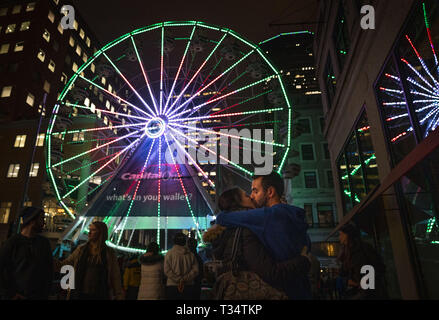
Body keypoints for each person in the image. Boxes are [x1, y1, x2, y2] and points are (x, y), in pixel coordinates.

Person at [215, 172, 312, 299]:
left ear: (270, 192)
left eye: (255, 191)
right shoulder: (292, 215)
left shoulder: (267, 216)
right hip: (302, 288)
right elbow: (307, 245)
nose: (252, 196)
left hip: (284, 291)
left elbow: (222, 218)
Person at [55, 221, 124, 300]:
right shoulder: (81, 250)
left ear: (101, 233)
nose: (89, 233)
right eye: (89, 229)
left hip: (100, 294)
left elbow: (115, 275)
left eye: (93, 230)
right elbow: (66, 264)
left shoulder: (109, 253)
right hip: (80, 293)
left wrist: (118, 294)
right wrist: (50, 261)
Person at [0, 207, 53, 300]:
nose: (44, 222)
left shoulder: (44, 244)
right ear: (32, 221)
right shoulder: (12, 243)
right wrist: (10, 294)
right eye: (41, 219)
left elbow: (48, 271)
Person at [338, 223, 387, 300]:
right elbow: (343, 273)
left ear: (348, 235)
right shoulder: (345, 252)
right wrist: (349, 281)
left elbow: (379, 267)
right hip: (356, 291)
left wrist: (366, 281)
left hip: (369, 292)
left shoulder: (364, 248)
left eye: (341, 234)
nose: (339, 237)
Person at [164, 232, 199, 300]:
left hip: (172, 285)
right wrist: (184, 279)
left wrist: (178, 279)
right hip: (188, 285)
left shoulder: (169, 254)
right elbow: (195, 270)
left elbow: (167, 270)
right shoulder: (191, 255)